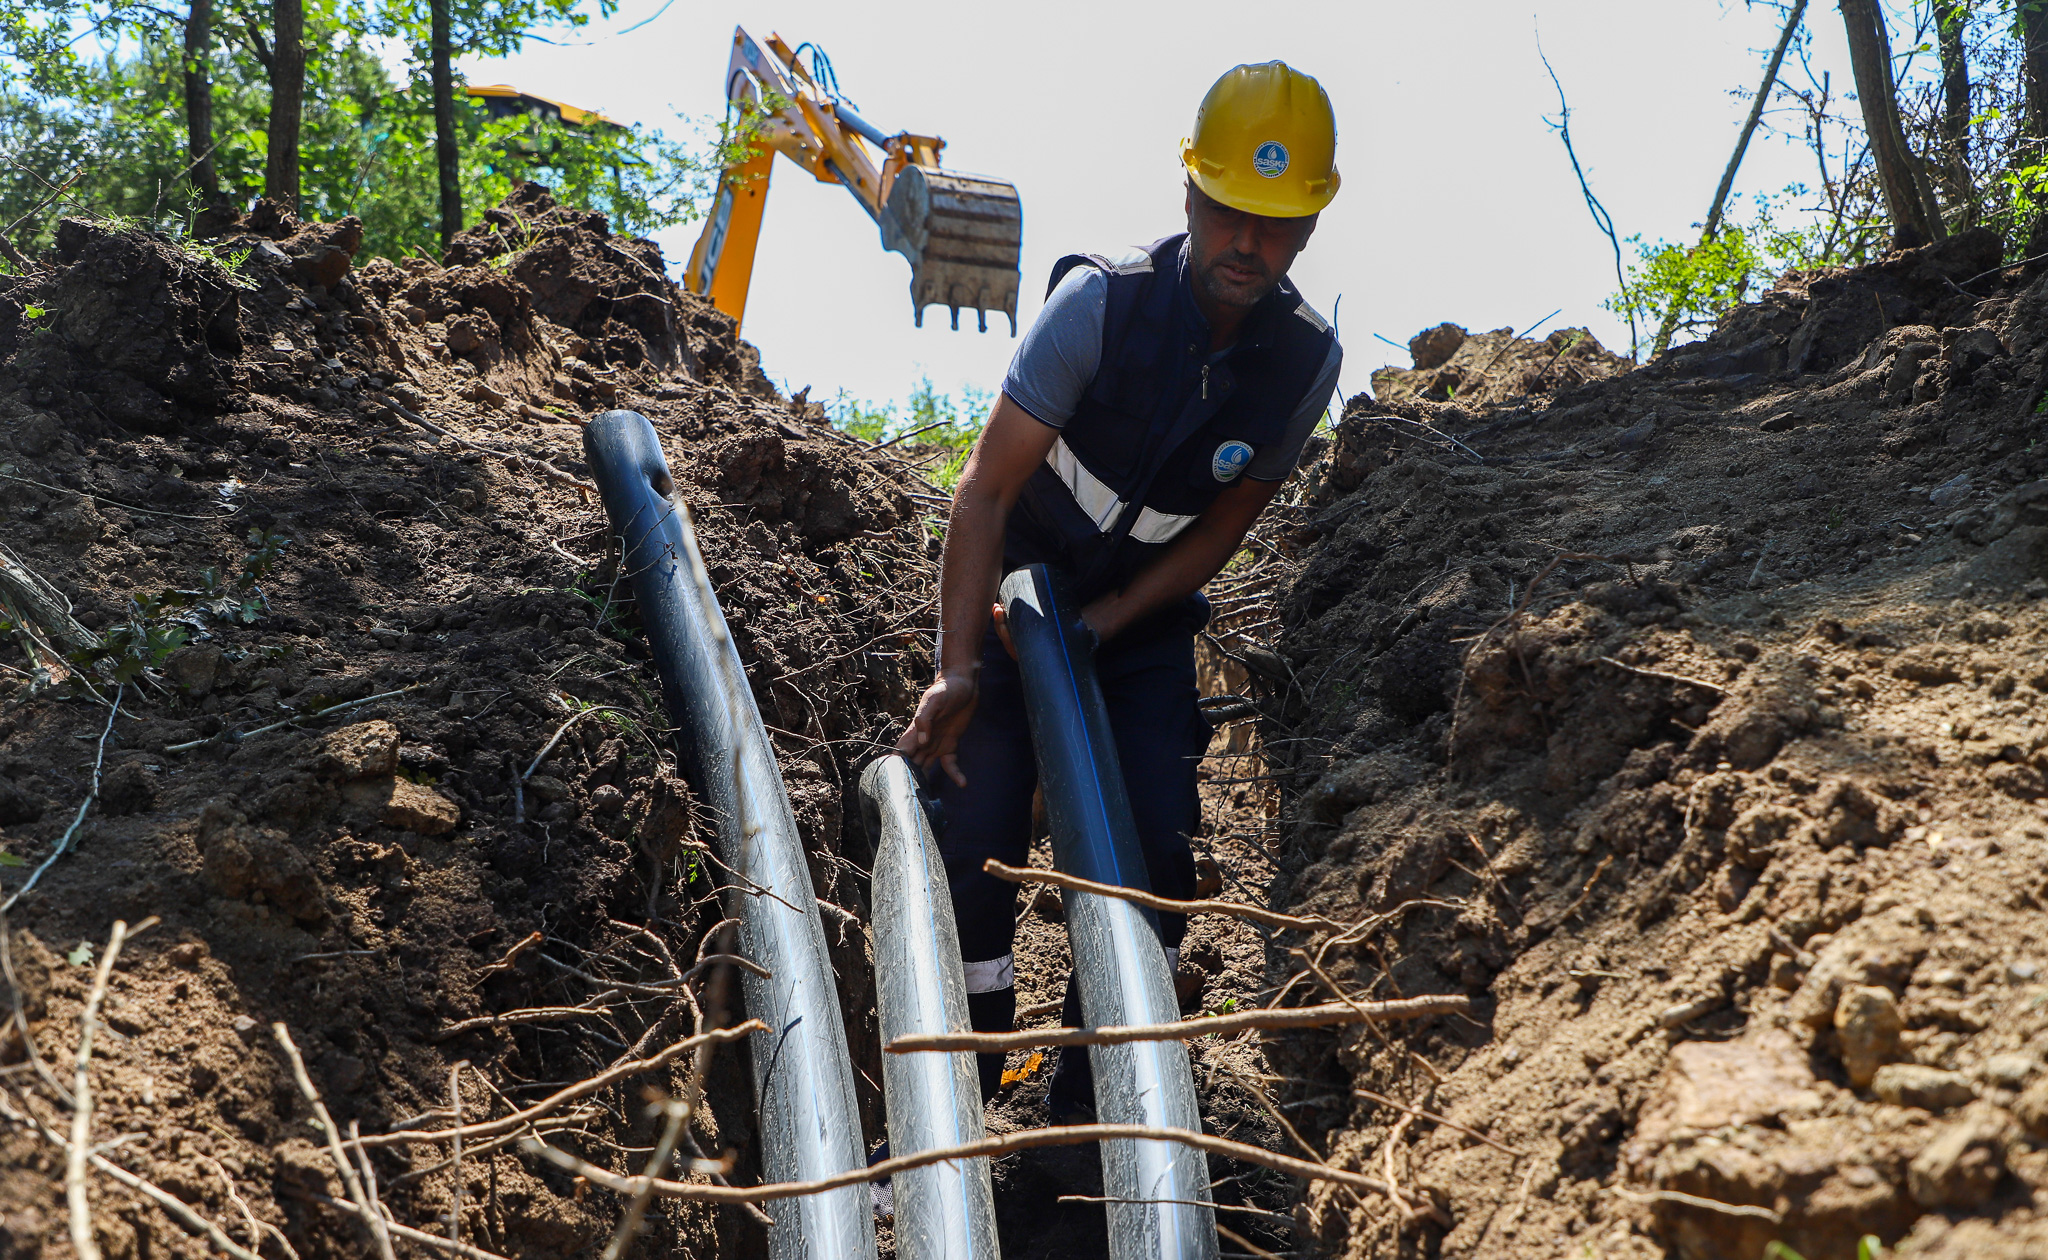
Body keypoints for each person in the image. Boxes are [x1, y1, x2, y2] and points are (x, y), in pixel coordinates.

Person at [896, 60, 1344, 1122]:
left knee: (1151, 852)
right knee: (975, 841)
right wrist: (958, 664)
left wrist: (1104, 625)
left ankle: (1088, 1121)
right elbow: (985, 487)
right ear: (1189, 196)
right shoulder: (1099, 304)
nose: (1249, 242)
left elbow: (1225, 526)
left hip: (1134, 630)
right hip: (1017, 608)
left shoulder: (1299, 364)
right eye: (1230, 211)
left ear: (1310, 227)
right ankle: (979, 1082)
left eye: (1275, 224)